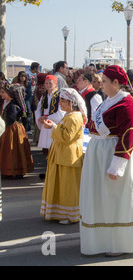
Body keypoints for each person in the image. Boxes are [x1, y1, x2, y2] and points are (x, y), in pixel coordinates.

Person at [79, 65, 133, 256]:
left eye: (104, 81)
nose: (100, 85)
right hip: (101, 153)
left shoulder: (127, 104)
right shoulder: (109, 100)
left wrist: (117, 166)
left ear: (116, 83)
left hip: (115, 154)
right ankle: (103, 239)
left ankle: (119, 242)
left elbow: (127, 136)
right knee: (103, 197)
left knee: (116, 198)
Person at [40, 88, 87, 224]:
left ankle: (69, 215)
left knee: (68, 185)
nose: (60, 103)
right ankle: (60, 212)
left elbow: (67, 137)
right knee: (61, 183)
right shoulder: (70, 116)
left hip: (69, 155)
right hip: (62, 154)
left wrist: (53, 127)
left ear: (71, 102)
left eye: (63, 101)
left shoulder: (74, 117)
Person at [0, 83, 34, 179]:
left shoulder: (13, 105)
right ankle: (8, 170)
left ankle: (14, 170)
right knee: (9, 150)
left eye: (4, 92)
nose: (1, 94)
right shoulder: (7, 103)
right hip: (10, 128)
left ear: (10, 94)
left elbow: (10, 119)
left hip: (13, 129)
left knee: (14, 150)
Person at [34, 75, 65, 179]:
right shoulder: (44, 96)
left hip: (54, 124)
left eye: (50, 83)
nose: (48, 85)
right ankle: (49, 170)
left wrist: (48, 118)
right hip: (45, 124)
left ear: (55, 84)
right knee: (47, 149)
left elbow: (62, 112)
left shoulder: (60, 95)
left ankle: (56, 171)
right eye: (46, 83)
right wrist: (40, 118)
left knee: (55, 148)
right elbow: (38, 109)